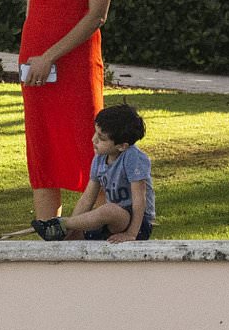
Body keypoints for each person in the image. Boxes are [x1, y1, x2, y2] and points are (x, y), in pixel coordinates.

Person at [5, 0, 115, 223]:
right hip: (33, 51)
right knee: (42, 143)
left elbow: (97, 14)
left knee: (89, 140)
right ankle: (48, 229)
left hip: (75, 58)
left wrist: (51, 55)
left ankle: (96, 224)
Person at [31, 104, 155, 243]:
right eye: (95, 132)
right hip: (112, 223)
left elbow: (140, 200)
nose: (93, 140)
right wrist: (72, 231)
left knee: (108, 210)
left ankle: (62, 224)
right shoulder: (100, 158)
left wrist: (132, 234)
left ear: (122, 146)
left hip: (137, 224)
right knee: (86, 225)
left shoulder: (133, 158)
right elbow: (87, 199)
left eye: (101, 138)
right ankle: (67, 228)